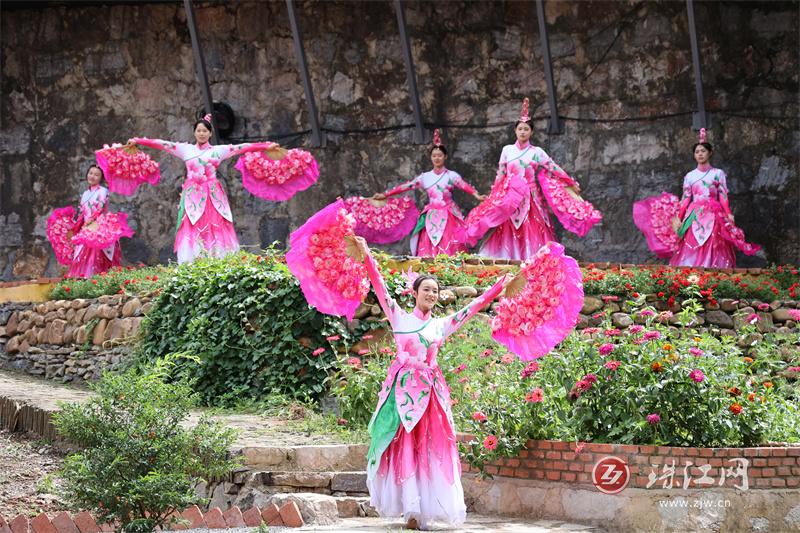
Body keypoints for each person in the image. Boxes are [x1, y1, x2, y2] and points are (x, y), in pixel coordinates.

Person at [352, 235, 510, 529]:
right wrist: (365, 254)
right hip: (401, 395)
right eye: (426, 289)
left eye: (436, 291)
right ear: (414, 293)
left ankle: (424, 509)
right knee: (403, 447)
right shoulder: (399, 318)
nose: (432, 294)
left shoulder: (440, 325)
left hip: (431, 396)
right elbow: (379, 285)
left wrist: (498, 288)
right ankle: (410, 510)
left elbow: (472, 308)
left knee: (430, 448)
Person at [129, 115, 277, 263]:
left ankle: (218, 262)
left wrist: (265, 146)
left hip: (213, 195)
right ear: (194, 132)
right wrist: (139, 141)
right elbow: (163, 144)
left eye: (205, 131)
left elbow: (242, 147)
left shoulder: (219, 151)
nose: (201, 133)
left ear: (210, 133)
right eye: (199, 130)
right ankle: (192, 263)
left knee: (216, 227)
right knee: (192, 226)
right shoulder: (185, 149)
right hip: (192, 196)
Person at [476, 98, 599, 260]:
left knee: (532, 227)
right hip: (510, 197)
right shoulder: (507, 150)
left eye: (526, 129)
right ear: (515, 131)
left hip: (531, 197)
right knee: (507, 227)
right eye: (520, 129)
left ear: (531, 132)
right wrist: (493, 197)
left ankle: (533, 261)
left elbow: (554, 168)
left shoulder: (537, 152)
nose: (522, 132)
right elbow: (500, 175)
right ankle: (508, 257)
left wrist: (569, 183)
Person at [372, 129, 486, 256]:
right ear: (431, 158)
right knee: (428, 242)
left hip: (449, 214)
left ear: (445, 157)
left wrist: (477, 195)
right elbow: (406, 186)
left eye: (440, 155)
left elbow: (464, 185)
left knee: (450, 241)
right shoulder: (425, 177)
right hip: (431, 214)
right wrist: (385, 195)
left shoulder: (451, 176)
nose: (437, 158)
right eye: (434, 156)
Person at [668, 130, 759, 267]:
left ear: (709, 153)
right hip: (694, 215)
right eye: (697, 152)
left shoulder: (718, 174)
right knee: (692, 241)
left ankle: (713, 273)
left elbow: (723, 196)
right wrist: (679, 218)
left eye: (703, 151)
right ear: (694, 155)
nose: (700, 154)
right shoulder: (690, 176)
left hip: (713, 213)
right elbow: (686, 199)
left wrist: (728, 214)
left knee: (714, 241)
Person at [51, 164, 132, 278]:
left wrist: (88, 222)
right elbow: (82, 213)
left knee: (95, 257)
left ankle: (95, 281)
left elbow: (99, 208)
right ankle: (84, 281)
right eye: (91, 173)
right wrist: (76, 227)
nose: (92, 176)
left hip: (97, 227)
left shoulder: (103, 191)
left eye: (96, 175)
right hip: (86, 227)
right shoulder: (85, 194)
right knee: (81, 256)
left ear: (101, 178)